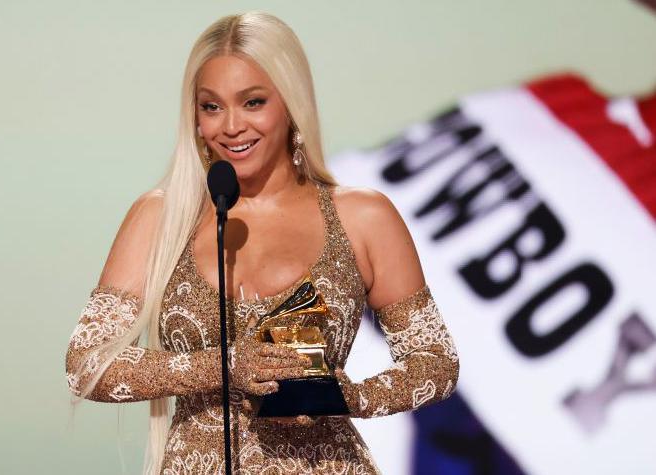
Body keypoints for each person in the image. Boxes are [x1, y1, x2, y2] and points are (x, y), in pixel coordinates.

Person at [64, 11, 459, 475]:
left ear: (291, 104)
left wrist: (346, 396)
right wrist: (224, 366)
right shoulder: (160, 216)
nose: (230, 126)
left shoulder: (363, 217)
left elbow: (435, 363)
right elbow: (88, 363)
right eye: (211, 106)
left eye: (252, 102)